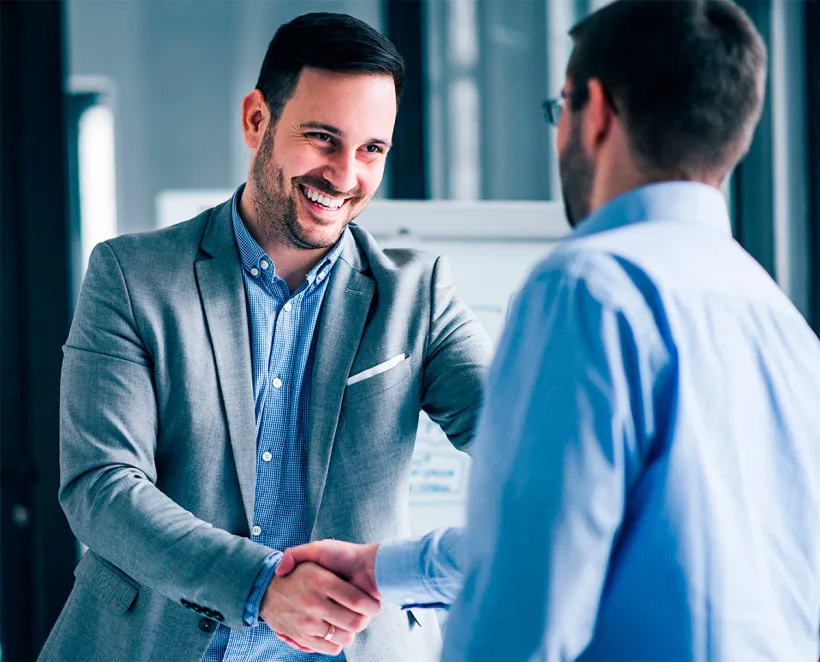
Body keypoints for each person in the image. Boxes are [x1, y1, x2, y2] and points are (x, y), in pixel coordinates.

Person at [275, 1, 820, 660]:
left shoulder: (588, 288)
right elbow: (563, 531)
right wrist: (381, 568)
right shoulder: (781, 322)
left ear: (595, 111)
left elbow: (525, 609)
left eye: (558, 110)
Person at [40, 12, 492, 662]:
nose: (344, 175)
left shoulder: (416, 298)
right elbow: (101, 485)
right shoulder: (131, 276)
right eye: (322, 138)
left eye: (371, 150)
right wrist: (259, 587)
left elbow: (529, 445)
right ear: (257, 120)